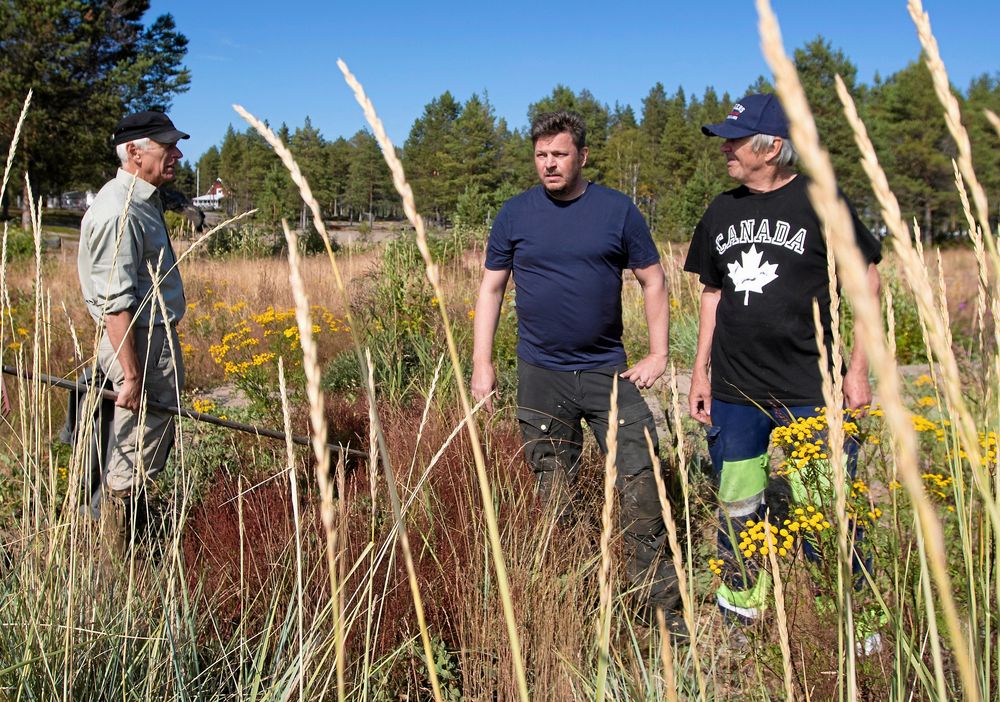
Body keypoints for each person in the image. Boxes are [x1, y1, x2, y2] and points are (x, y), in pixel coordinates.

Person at [471, 110, 682, 628]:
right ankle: (576, 602)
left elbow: (653, 280)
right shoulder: (516, 214)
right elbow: (491, 289)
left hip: (608, 372)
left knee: (641, 482)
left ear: (582, 156)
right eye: (541, 155)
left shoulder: (617, 210)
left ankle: (660, 611)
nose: (549, 164)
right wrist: (482, 363)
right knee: (554, 494)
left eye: (559, 154)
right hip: (540, 375)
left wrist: (658, 354)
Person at [683, 94, 882, 627]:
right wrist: (701, 370)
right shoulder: (722, 209)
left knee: (825, 508)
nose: (725, 148)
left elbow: (867, 282)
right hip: (735, 391)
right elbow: (712, 294)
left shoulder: (821, 201)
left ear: (771, 148)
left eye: (735, 140)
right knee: (739, 507)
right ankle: (741, 613)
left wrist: (858, 370)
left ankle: (850, 622)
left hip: (813, 389)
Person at [77, 110, 189, 535]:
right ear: (134, 152)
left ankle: (128, 533)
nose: (177, 154)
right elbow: (115, 303)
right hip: (139, 341)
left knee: (137, 441)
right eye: (167, 146)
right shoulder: (118, 211)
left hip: (145, 339)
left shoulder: (142, 201)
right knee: (136, 451)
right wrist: (132, 373)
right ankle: (121, 549)